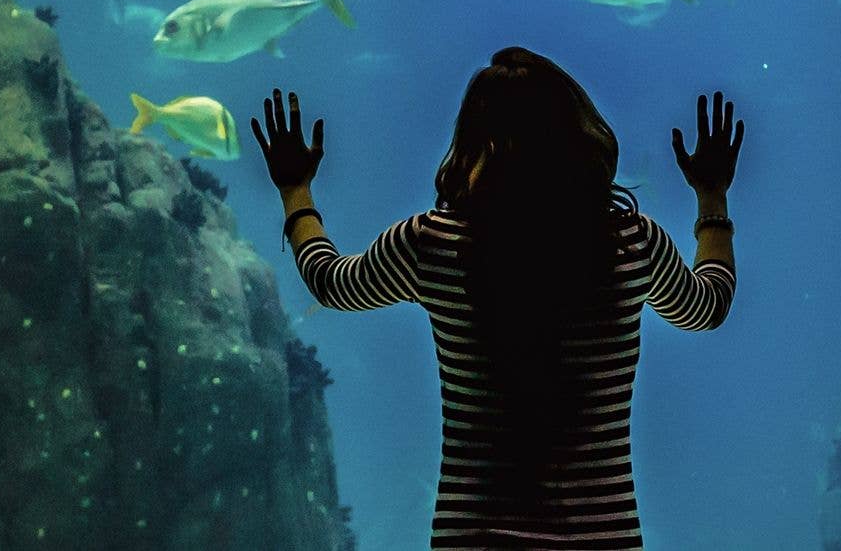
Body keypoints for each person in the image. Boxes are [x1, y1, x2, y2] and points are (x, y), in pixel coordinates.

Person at [251, 46, 740, 549]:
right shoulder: (631, 243)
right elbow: (709, 305)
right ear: (577, 136)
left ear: (474, 142)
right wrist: (712, 198)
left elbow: (330, 282)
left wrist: (296, 191)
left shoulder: (433, 244)